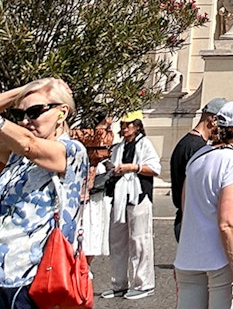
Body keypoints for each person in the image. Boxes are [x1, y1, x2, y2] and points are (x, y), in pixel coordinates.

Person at [0, 78, 89, 309]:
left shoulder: (71, 151)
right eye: (21, 114)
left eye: (35, 111)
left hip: (32, 279)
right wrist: (26, 88)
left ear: (62, 112)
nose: (26, 121)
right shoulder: (17, 155)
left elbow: (28, 143)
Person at [175, 99, 233, 309]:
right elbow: (227, 222)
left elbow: (186, 207)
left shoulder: (198, 157)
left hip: (190, 254)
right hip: (220, 258)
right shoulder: (232, 161)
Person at [105, 111, 161, 300]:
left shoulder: (144, 144)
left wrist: (132, 167)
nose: (124, 128)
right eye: (122, 124)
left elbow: (155, 168)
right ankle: (119, 283)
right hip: (120, 198)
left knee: (140, 240)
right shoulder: (119, 147)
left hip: (138, 196)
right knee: (117, 241)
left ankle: (144, 283)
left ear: (137, 126)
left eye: (128, 124)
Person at [172, 96, 227, 240]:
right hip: (192, 219)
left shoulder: (185, 143)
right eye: (221, 124)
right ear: (212, 120)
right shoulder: (198, 149)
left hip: (186, 217)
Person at [75, 115, 114, 263]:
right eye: (105, 125)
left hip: (97, 200)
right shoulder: (84, 151)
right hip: (86, 203)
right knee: (85, 238)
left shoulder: (104, 151)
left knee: (93, 239)